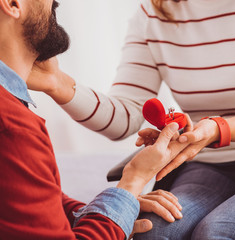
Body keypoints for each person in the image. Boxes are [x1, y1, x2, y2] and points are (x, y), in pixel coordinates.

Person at [27, 0, 235, 239]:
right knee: (152, 234)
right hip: (211, 159)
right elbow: (124, 118)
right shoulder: (153, 13)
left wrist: (218, 128)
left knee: (221, 233)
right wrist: (59, 85)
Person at [0, 0, 187, 239]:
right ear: (13, 3)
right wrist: (133, 181)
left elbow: (30, 201)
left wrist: (114, 208)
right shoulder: (13, 128)